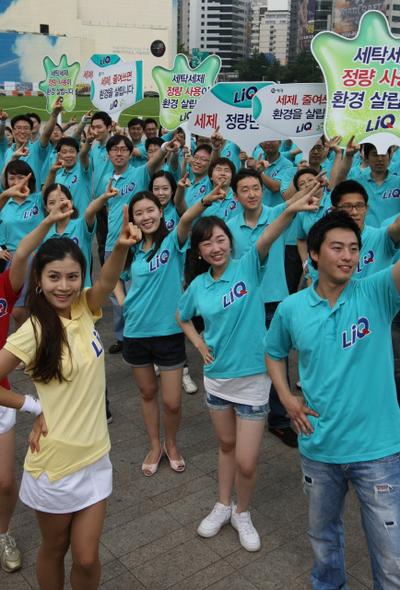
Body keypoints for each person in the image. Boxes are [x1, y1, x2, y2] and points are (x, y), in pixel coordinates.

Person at [0, 202, 140, 589]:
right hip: (56, 464)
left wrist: (122, 246)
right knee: (55, 547)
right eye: (54, 277)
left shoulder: (83, 308)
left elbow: (109, 282)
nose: (64, 286)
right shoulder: (31, 331)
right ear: (40, 280)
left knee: (87, 557)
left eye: (73, 276)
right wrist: (33, 406)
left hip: (96, 455)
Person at [176, 187, 318, 552]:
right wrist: (199, 343)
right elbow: (182, 315)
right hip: (217, 378)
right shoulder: (198, 285)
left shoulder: (248, 265)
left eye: (221, 239)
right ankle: (223, 506)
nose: (215, 248)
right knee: (226, 445)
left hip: (254, 376)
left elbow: (271, 231)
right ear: (199, 251)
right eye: (207, 244)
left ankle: (243, 512)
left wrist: (291, 208)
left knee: (246, 460)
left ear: (230, 240)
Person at [264, 210, 400, 589]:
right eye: (337, 247)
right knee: (324, 541)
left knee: (392, 557)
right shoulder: (292, 308)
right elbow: (273, 352)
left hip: (379, 451)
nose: (348, 256)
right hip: (319, 449)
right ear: (314, 255)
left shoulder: (377, 292)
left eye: (354, 249)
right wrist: (287, 398)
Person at [117, 187, 229, 477]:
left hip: (168, 332)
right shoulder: (130, 248)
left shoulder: (172, 242)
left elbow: (187, 221)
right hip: (135, 332)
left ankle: (171, 443)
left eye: (150, 210)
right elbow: (113, 275)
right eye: (139, 213)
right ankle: (155, 445)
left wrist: (205, 200)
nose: (145, 217)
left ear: (161, 211)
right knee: (146, 393)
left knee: (172, 401)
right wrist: (121, 301)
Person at [0, 182, 74, 574]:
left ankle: (3, 532)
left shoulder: (4, 288)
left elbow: (24, 252)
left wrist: (49, 219)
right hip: (14, 398)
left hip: (3, 395)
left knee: (6, 483)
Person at [227, 168, 299, 447]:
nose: (252, 194)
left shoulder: (276, 214)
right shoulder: (230, 226)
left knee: (278, 361)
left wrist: (315, 179)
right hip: (245, 304)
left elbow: (299, 198)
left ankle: (280, 420)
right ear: (235, 196)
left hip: (275, 302)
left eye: (256, 188)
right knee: (249, 360)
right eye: (244, 190)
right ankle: (247, 412)